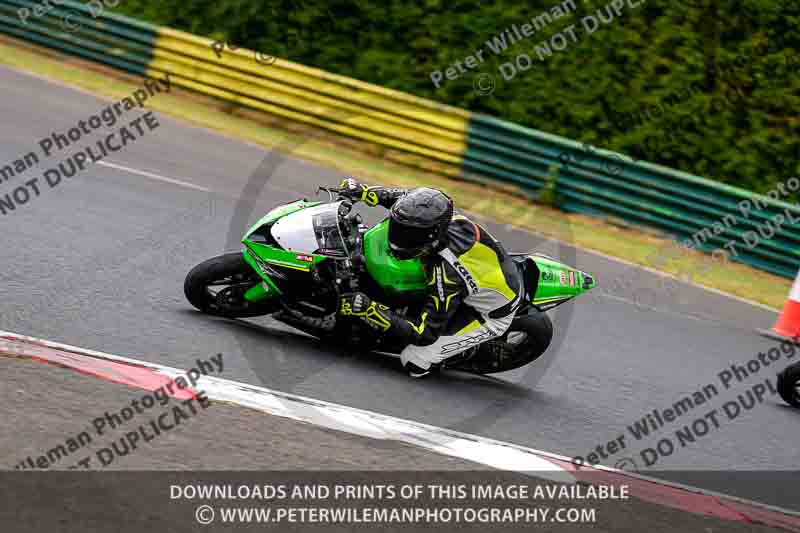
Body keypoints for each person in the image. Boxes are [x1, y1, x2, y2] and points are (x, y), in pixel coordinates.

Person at [336, 177, 524, 378]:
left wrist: (370, 310)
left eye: (409, 235)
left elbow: (423, 334)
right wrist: (363, 192)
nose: (399, 238)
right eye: (399, 228)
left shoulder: (447, 275)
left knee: (414, 360)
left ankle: (465, 352)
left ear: (432, 235)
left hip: (488, 313)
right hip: (484, 273)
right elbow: (404, 202)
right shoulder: (437, 218)